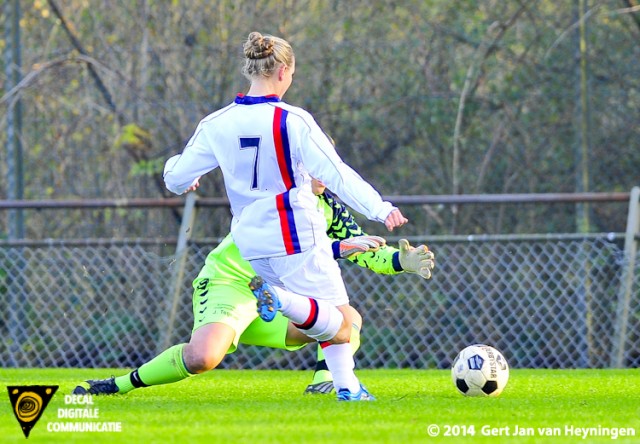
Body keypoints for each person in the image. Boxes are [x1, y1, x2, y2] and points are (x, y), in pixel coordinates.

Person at [162, 31, 410, 401]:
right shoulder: (293, 120)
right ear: (283, 72)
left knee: (331, 322)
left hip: (251, 242)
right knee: (343, 324)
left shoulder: (216, 123)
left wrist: (184, 176)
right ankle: (279, 299)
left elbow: (175, 178)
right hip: (295, 234)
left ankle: (348, 388)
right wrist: (381, 209)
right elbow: (337, 174)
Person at [73, 181, 435, 397]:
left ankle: (325, 380)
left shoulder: (329, 207)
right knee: (203, 359)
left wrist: (402, 261)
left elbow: (364, 249)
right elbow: (284, 249)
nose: (323, 176)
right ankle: (116, 385)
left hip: (273, 298)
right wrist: (339, 249)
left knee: (346, 318)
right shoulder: (275, 199)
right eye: (315, 165)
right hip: (231, 283)